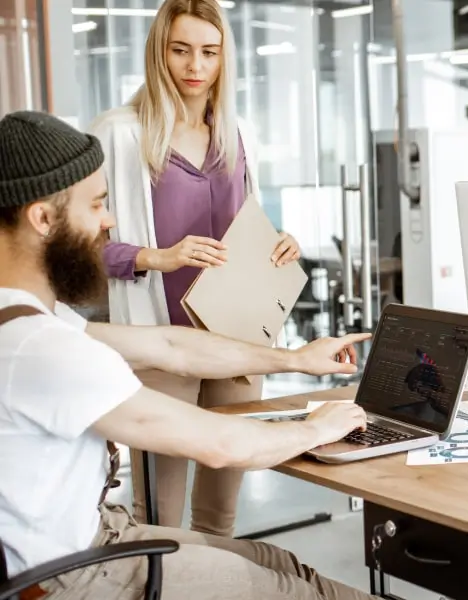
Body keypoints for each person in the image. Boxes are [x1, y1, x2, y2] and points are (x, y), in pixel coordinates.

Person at [0, 110, 377, 599]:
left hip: (90, 539)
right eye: (96, 206)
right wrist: (318, 427)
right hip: (72, 577)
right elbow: (220, 445)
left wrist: (295, 360)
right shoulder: (40, 349)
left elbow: (170, 344)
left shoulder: (27, 321)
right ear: (44, 218)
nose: (109, 221)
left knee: (276, 560)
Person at [89, 0, 301, 536]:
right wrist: (156, 256)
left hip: (235, 339)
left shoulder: (238, 133)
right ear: (159, 53)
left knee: (221, 513)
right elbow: (81, 247)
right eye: (180, 50)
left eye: (209, 52)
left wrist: (280, 242)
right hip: (162, 345)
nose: (195, 66)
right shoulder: (119, 133)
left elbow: (247, 226)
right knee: (158, 514)